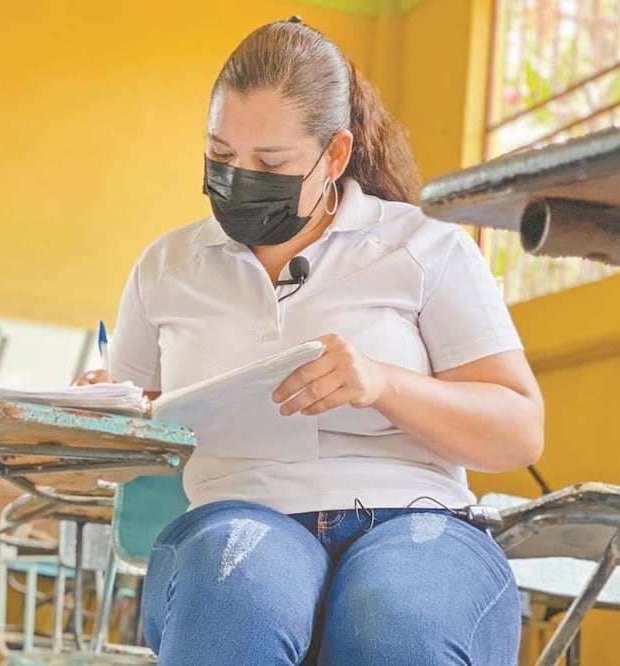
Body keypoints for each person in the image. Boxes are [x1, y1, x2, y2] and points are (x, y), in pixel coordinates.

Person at [79, 18, 543, 665]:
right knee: (233, 595)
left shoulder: (425, 246)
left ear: (335, 155)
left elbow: (518, 433)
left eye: (270, 164)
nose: (238, 177)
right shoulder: (167, 266)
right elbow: (121, 453)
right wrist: (97, 417)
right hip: (238, 512)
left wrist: (383, 384)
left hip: (415, 516)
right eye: (220, 155)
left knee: (397, 623)